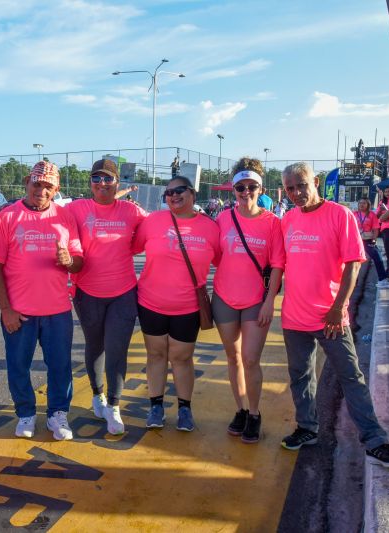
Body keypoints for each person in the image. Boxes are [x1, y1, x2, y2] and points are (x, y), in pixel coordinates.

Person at [279, 162, 389, 468]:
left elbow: (354, 263)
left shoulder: (340, 215)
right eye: (290, 188)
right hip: (293, 317)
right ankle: (307, 428)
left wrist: (338, 308)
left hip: (330, 318)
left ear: (316, 181)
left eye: (301, 185)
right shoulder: (288, 219)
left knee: (351, 377)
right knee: (300, 376)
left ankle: (375, 440)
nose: (296, 193)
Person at [0, 161, 83, 441]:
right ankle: (26, 414)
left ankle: (58, 414)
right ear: (26, 182)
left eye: (48, 186)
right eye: (36, 184)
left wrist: (69, 261)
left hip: (57, 309)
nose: (41, 190)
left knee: (60, 366)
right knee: (18, 365)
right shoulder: (7, 217)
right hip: (20, 311)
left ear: (56, 189)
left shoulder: (65, 217)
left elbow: (78, 261)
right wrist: (5, 309)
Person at [133, 175, 220, 432]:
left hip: (188, 306)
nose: (173, 196)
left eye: (179, 190)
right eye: (168, 193)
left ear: (192, 193)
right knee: (156, 354)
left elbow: (225, 263)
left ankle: (184, 409)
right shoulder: (153, 221)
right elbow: (129, 247)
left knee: (181, 358)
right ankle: (156, 407)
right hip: (151, 302)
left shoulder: (210, 227)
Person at [67, 159, 147, 435]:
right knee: (95, 345)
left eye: (108, 179)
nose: (102, 184)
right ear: (90, 182)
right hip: (87, 292)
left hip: (123, 292)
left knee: (116, 348)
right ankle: (97, 394)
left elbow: (152, 233)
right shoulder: (77, 208)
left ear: (117, 183)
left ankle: (114, 404)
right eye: (96, 179)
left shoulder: (131, 211)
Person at [213, 162, 284, 443]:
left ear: (260, 189)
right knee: (233, 358)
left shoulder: (272, 223)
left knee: (250, 359)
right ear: (234, 190)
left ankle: (254, 413)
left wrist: (269, 302)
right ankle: (241, 409)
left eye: (251, 187)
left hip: (256, 301)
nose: (246, 192)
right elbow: (214, 255)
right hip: (224, 298)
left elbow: (278, 265)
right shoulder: (222, 218)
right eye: (240, 187)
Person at [354, 198, 388, 286]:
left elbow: (376, 229)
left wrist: (374, 240)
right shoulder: (354, 214)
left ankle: (382, 278)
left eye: (364, 203)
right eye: (360, 203)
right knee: (353, 261)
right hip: (356, 240)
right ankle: (353, 280)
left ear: (368, 205)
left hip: (368, 240)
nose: (361, 205)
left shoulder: (372, 215)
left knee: (377, 257)